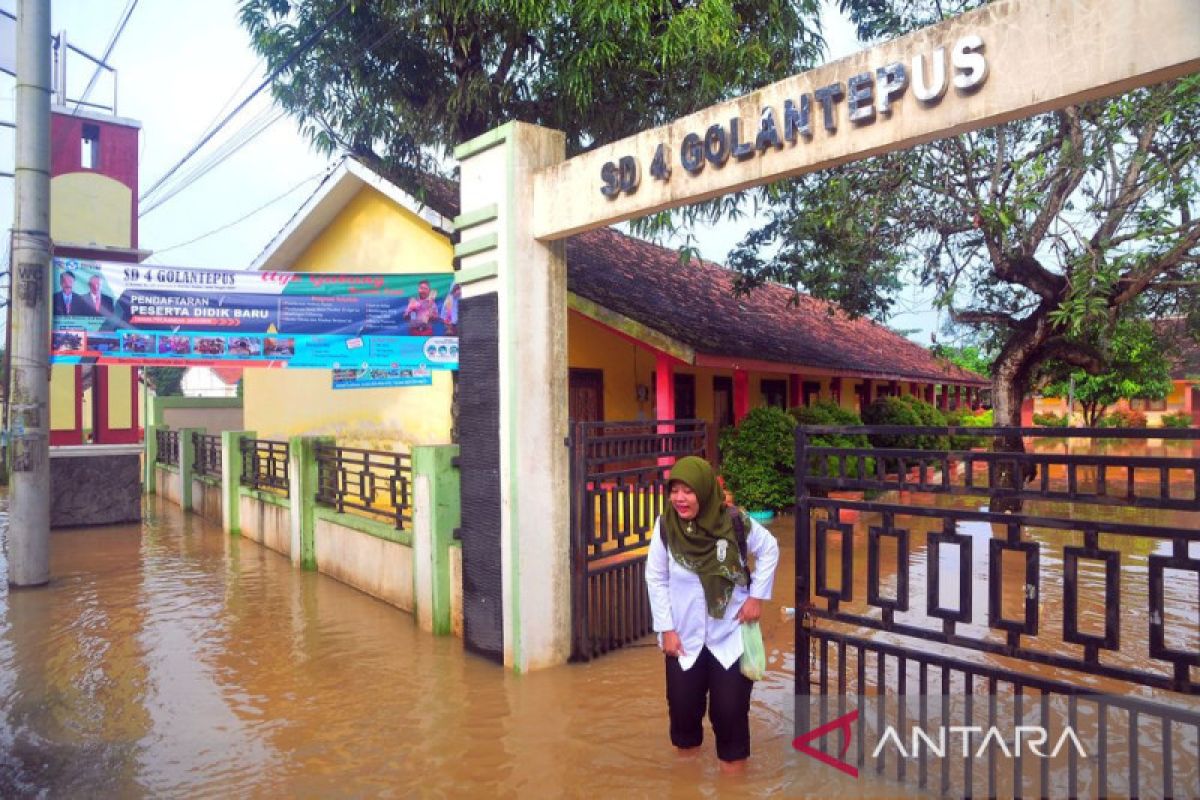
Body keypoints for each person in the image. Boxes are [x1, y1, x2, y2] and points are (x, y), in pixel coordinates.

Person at [645, 456, 780, 775]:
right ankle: (687, 782)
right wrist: (666, 629)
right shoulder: (665, 527)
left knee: (730, 715)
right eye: (674, 490)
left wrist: (757, 597)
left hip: (730, 636)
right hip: (684, 640)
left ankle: (733, 783)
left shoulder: (735, 522)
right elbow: (656, 577)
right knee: (683, 716)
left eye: (688, 491)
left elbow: (770, 549)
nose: (679, 498)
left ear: (705, 491)